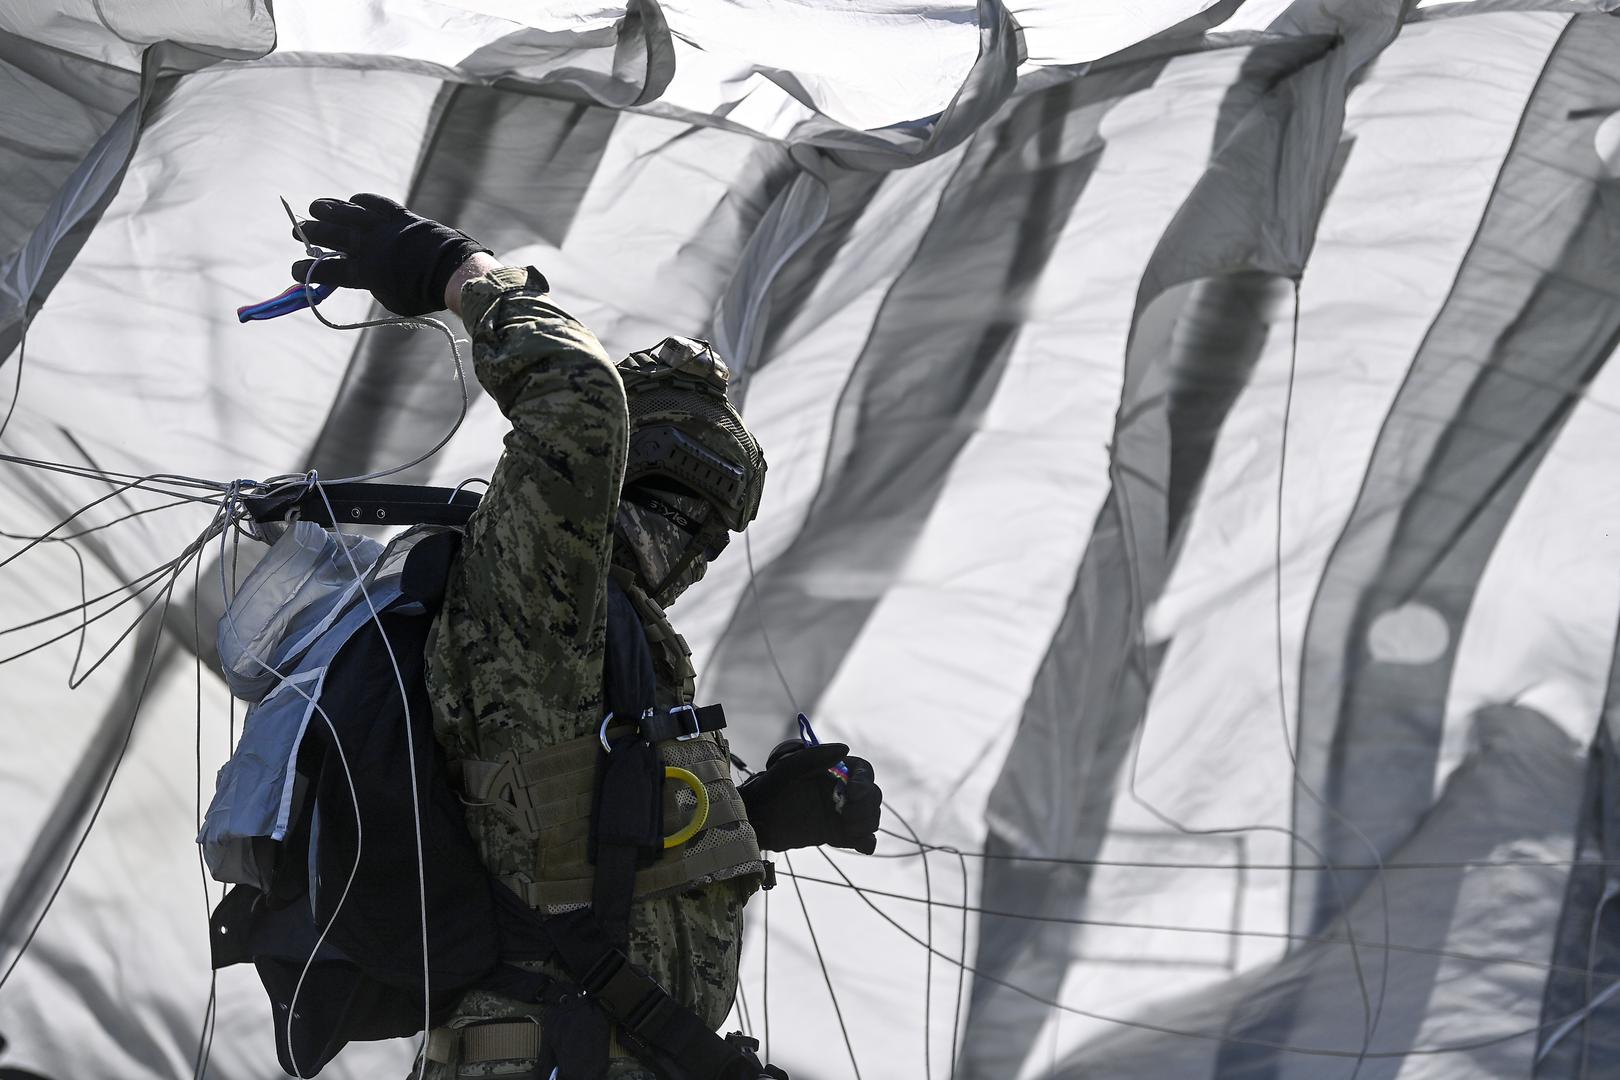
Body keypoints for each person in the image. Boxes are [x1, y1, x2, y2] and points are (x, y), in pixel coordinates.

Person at [289, 194, 881, 1080]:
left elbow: (561, 844)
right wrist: (468, 275)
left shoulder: (615, 651)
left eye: (715, 528)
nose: (693, 544)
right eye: (682, 506)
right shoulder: (542, 588)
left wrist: (750, 819)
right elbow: (580, 406)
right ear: (613, 488)